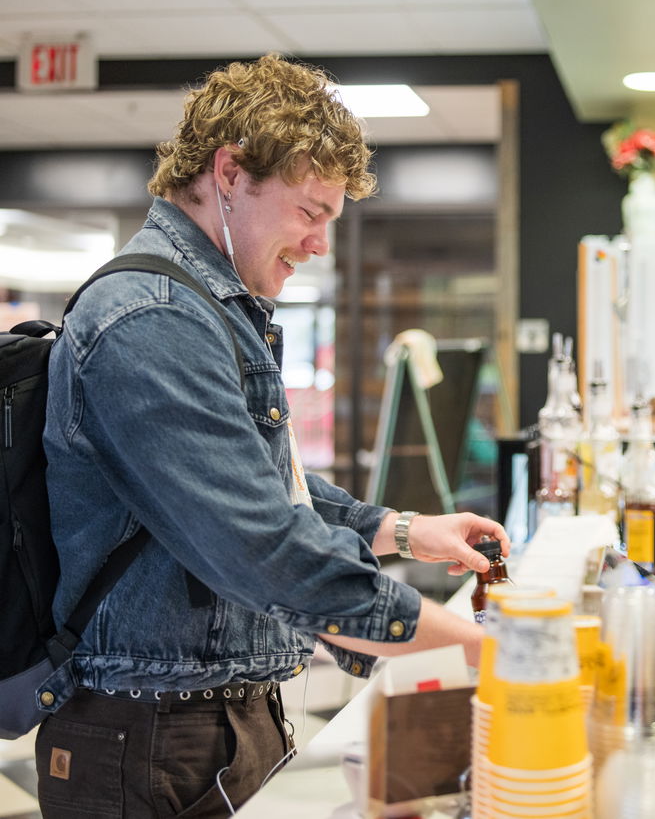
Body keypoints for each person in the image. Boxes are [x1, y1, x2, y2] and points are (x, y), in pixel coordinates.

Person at [36, 54, 508, 818]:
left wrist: (401, 529)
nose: (319, 243)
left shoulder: (205, 307)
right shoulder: (151, 317)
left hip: (209, 720)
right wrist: (485, 649)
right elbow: (259, 541)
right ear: (229, 173)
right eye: (310, 211)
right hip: (148, 739)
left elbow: (262, 483)